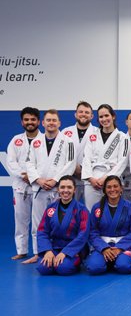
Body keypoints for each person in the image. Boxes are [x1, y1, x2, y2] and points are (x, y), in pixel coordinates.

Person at [26, 109, 76, 264]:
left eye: (54, 120)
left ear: (59, 123)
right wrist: (38, 180)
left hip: (59, 189)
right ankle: (37, 252)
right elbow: (29, 163)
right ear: (43, 123)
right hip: (39, 187)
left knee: (59, 223)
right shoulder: (36, 142)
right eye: (48, 120)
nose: (51, 123)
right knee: (38, 222)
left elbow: (71, 163)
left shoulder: (67, 141)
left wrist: (56, 180)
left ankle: (58, 250)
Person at [6, 107, 43, 261]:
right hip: (20, 185)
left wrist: (34, 177)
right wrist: (23, 175)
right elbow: (10, 162)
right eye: (26, 119)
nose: (30, 122)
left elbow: (44, 163)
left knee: (38, 222)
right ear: (22, 122)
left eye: (33, 119)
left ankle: (37, 251)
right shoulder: (16, 140)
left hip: (38, 186)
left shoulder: (43, 140)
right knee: (20, 219)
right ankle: (21, 250)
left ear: (38, 121)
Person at [35, 175, 90, 275]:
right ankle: (55, 257)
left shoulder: (82, 210)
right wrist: (47, 251)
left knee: (63, 268)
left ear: (74, 190)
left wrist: (66, 252)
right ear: (58, 189)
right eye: (62, 187)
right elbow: (42, 231)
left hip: (74, 250)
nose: (66, 190)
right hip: (55, 247)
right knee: (43, 268)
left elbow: (83, 235)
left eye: (69, 187)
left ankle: (77, 261)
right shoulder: (50, 208)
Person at [86, 176, 131, 275]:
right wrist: (104, 248)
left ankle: (116, 260)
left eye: (115, 186)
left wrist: (120, 247)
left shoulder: (130, 207)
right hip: (102, 246)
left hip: (124, 246)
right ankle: (107, 260)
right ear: (104, 190)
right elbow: (93, 232)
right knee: (94, 268)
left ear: (121, 189)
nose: (112, 189)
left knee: (124, 267)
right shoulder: (97, 207)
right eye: (109, 187)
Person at [81, 104, 129, 211]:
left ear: (113, 116)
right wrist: (90, 178)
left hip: (112, 179)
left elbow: (123, 161)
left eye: (106, 115)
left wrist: (106, 178)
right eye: (101, 117)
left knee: (112, 211)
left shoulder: (122, 137)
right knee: (92, 212)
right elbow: (86, 158)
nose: (104, 119)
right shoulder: (92, 136)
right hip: (92, 181)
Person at [61, 101, 98, 201]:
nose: (83, 114)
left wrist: (84, 170)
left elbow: (99, 156)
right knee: (70, 211)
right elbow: (60, 154)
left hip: (90, 179)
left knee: (91, 211)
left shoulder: (98, 132)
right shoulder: (65, 132)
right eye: (81, 112)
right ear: (75, 114)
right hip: (70, 178)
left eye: (87, 112)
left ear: (92, 116)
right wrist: (73, 167)